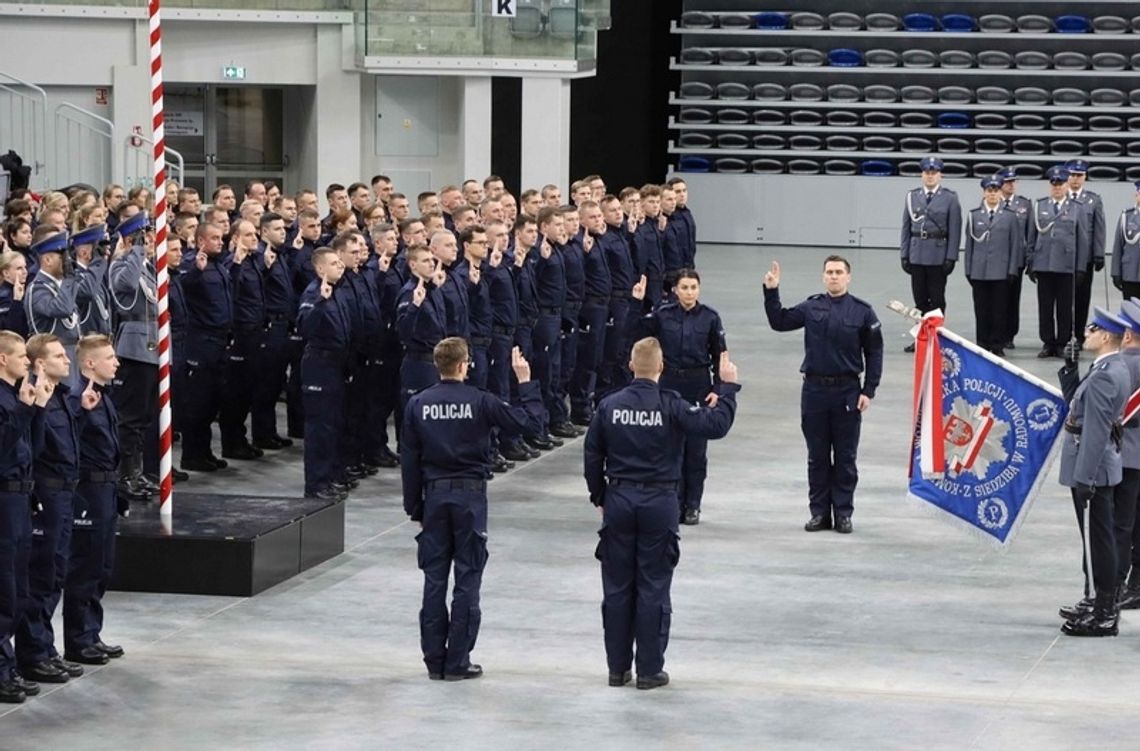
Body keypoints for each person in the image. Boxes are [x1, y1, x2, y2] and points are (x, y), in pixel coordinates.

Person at [584, 338, 740, 690]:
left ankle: (617, 668)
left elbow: (592, 454)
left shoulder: (610, 406)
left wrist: (600, 495)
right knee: (653, 586)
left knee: (618, 588)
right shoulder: (670, 404)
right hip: (659, 500)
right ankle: (650, 670)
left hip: (620, 499)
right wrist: (727, 389)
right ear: (661, 367)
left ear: (630, 365)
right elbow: (714, 427)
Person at [401, 338, 543, 681]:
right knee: (467, 577)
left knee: (434, 579)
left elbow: (409, 459)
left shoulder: (418, 404)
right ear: (464, 365)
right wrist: (526, 384)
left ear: (439, 365)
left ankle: (434, 659)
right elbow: (529, 424)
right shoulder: (480, 401)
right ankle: (458, 660)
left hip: (434, 497)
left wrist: (414, 507)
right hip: (469, 497)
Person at [763, 256, 883, 534]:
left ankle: (843, 513)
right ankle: (819, 513)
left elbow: (874, 353)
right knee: (817, 457)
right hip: (815, 391)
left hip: (847, 392)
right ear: (823, 276)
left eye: (839, 272)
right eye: (829, 272)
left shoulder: (863, 312)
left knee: (845, 457)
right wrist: (771, 291)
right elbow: (779, 322)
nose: (834, 277)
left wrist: (869, 390)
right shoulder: (811, 306)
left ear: (848, 277)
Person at [628, 269, 726, 525]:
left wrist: (718, 389)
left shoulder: (710, 318)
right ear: (675, 290)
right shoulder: (662, 315)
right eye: (684, 287)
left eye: (693, 287)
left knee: (695, 450)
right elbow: (637, 335)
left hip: (698, 384)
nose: (689, 292)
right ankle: (672, 502)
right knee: (669, 448)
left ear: (699, 289)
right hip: (669, 383)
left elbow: (719, 356)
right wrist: (636, 303)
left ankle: (693, 505)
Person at [15, 335, 84, 686]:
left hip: (66, 494)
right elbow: (34, 449)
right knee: (40, 576)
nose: (67, 360)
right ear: (39, 363)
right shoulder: (32, 397)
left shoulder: (63, 397)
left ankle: (46, 647)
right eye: (59, 355)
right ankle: (32, 653)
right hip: (45, 495)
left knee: (56, 573)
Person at [1057, 308, 1131, 637]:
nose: (1085, 334)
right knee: (1101, 539)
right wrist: (1070, 371)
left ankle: (1103, 614)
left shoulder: (1105, 374)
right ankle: (1104, 607)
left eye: (1091, 330)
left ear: (1105, 337)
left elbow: (1096, 431)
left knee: (1099, 542)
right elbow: (1079, 405)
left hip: (1093, 470)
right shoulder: (1110, 366)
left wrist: (1084, 478)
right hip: (1099, 467)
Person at [63, 335, 125, 666]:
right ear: (90, 363)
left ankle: (91, 634)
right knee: (84, 567)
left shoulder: (103, 397)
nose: (116, 362)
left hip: (106, 490)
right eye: (110, 358)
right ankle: (77, 640)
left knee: (101, 567)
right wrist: (79, 409)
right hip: (87, 491)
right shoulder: (78, 399)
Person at [0, 331, 45, 703]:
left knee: (19, 588)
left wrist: (37, 409)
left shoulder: (19, 397)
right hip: (3, 499)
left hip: (21, 497)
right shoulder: (5, 400)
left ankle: (8, 665)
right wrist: (23, 410)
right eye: (20, 357)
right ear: (3, 359)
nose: (27, 363)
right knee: (4, 587)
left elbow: (34, 449)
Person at [297, 247, 352, 501]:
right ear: (320, 269)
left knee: (333, 424)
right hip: (318, 365)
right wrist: (320, 302)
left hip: (335, 365)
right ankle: (315, 483)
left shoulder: (337, 293)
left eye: (340, 263)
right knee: (319, 427)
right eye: (334, 263)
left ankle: (328, 477)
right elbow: (305, 327)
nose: (340, 266)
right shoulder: (314, 294)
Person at [178, 222, 233, 472]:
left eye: (221, 238)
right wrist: (196, 272)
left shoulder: (220, 266)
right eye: (214, 238)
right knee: (197, 403)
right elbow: (181, 288)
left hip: (220, 340)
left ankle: (205, 451)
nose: (220, 242)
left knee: (213, 401)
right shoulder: (191, 264)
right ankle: (191, 454)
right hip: (201, 342)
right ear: (201, 241)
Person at [900, 157, 961, 352]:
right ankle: (921, 337)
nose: (930, 176)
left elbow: (955, 229)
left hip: (938, 254)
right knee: (919, 300)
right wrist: (904, 253)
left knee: (937, 300)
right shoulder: (912, 196)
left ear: (940, 175)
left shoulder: (950, 198)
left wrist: (951, 256)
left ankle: (936, 337)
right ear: (922, 174)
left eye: (934, 173)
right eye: (927, 172)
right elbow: (906, 227)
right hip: (917, 254)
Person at [1027, 166, 1087, 359]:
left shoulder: (1077, 208)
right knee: (1044, 307)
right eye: (1054, 184)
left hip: (1066, 265)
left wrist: (1080, 267)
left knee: (1064, 308)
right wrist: (1031, 262)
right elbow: (1032, 237)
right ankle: (1048, 342)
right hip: (1044, 264)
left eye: (1060, 184)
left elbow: (1082, 240)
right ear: (1050, 186)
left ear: (1066, 185)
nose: (1057, 188)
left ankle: (1062, 343)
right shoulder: (1039, 206)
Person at [964, 177, 1024, 356]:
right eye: (989, 191)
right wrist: (968, 269)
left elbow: (1015, 245)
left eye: (995, 191)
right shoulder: (974, 215)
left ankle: (997, 344)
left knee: (999, 309)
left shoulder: (1010, 216)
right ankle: (982, 342)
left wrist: (1013, 269)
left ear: (1000, 193)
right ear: (984, 193)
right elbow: (969, 245)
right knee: (981, 309)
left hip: (1001, 271)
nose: (992, 194)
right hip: (979, 271)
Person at [1112, 299, 1140, 610]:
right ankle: (1137, 583)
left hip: (1126, 456)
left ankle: (1114, 584)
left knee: (1120, 524)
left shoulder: (1121, 365)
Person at [1066, 160, 1107, 339]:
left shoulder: (1093, 199)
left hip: (1085, 257)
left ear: (1085, 177)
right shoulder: (1060, 197)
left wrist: (1098, 253)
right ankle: (1064, 334)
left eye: (1079, 175)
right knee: (1064, 298)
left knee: (1082, 297)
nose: (1075, 179)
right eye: (1072, 175)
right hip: (1063, 256)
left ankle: (1079, 334)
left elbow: (1099, 228)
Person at [997, 168, 1032, 350]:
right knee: (998, 298)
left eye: (1013, 181)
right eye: (1007, 182)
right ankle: (998, 332)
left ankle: (1010, 334)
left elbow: (1030, 234)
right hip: (997, 258)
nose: (1011, 185)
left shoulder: (1024, 204)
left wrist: (1028, 258)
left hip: (1016, 259)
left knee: (1012, 298)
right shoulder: (993, 201)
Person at [1111, 181, 1140, 301]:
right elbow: (1118, 245)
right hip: (1130, 274)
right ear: (1136, 195)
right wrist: (1115, 272)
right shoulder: (1126, 216)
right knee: (1130, 313)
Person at [0, 250, 29, 337]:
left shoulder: (20, 289)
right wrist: (16, 301)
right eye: (19, 268)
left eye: (25, 267)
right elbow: (11, 330)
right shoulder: (3, 296)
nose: (25, 272)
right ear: (6, 273)